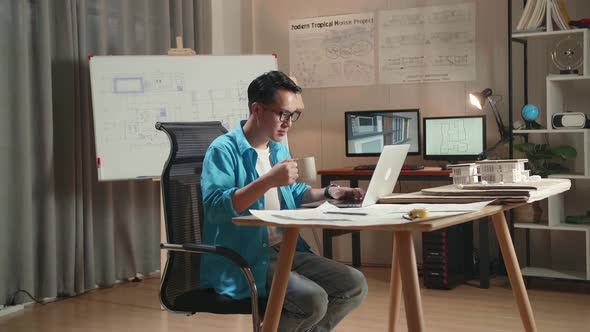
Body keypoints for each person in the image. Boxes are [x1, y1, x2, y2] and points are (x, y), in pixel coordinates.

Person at [200, 71, 368, 331]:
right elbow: (215, 208)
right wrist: (267, 180)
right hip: (244, 259)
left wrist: (328, 193)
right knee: (313, 300)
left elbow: (291, 192)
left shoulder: (277, 147)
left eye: (293, 115)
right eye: (282, 114)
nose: (289, 122)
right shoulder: (222, 150)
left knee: (354, 284)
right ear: (257, 109)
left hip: (286, 249)